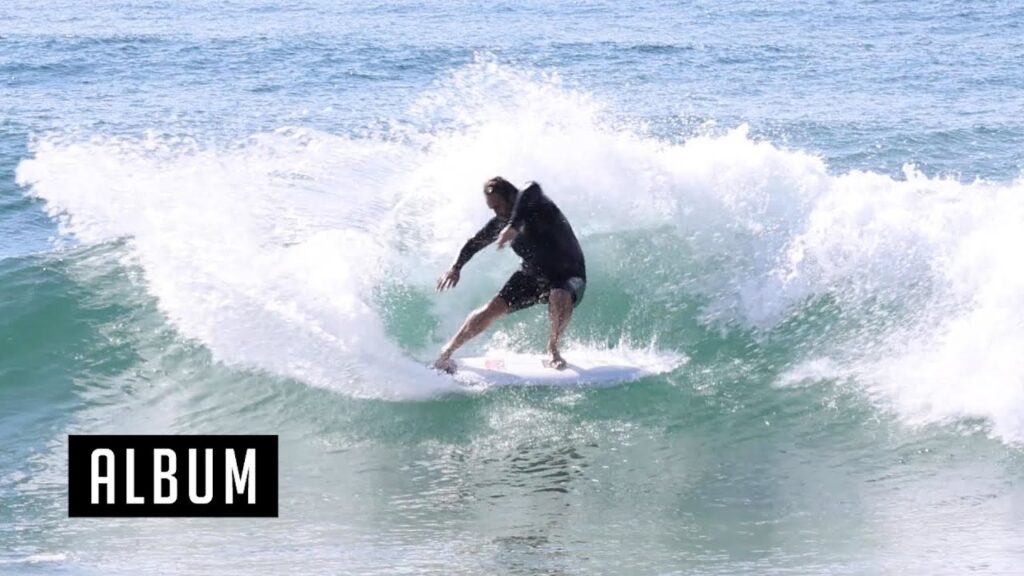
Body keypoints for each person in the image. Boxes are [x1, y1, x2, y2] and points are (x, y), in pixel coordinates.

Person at [433, 177, 586, 373]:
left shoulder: (540, 208)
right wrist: (456, 268)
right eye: (492, 208)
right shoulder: (500, 223)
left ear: (512, 197)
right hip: (532, 275)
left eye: (498, 205)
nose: (496, 212)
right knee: (492, 309)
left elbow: (532, 187)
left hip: (568, 275)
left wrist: (513, 226)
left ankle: (553, 349)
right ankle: (446, 353)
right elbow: (474, 243)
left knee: (559, 294)